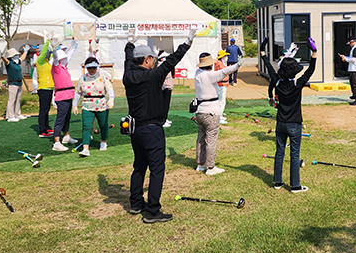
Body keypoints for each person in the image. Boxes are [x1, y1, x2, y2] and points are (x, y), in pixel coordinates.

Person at [124, 28, 195, 224]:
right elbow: (173, 60)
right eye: (152, 59)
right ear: (146, 60)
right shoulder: (152, 76)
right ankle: (153, 210)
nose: (154, 62)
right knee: (157, 169)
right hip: (152, 129)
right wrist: (187, 43)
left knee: (139, 166)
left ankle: (136, 203)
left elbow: (128, 60)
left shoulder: (128, 75)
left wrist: (130, 44)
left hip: (134, 129)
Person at [260, 36, 317, 193]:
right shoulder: (297, 84)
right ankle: (295, 186)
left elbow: (268, 66)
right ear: (295, 71)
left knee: (279, 152)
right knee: (294, 154)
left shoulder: (277, 82)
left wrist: (263, 50)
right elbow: (311, 70)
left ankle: (277, 182)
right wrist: (314, 51)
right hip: (294, 123)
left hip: (280, 123)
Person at [193, 52, 241, 176]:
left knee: (201, 139)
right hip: (211, 112)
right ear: (210, 64)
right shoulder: (209, 75)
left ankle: (201, 164)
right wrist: (238, 64)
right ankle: (210, 167)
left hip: (200, 111)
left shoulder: (197, 74)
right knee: (211, 139)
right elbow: (224, 72)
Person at [72, 57, 114, 157]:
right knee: (86, 126)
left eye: (94, 68)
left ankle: (103, 141)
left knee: (103, 125)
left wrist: (111, 98)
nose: (92, 70)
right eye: (89, 68)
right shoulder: (82, 78)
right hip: (87, 104)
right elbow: (78, 92)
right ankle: (85, 148)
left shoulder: (103, 78)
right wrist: (74, 104)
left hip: (101, 104)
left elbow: (109, 89)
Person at [51, 41, 79, 151]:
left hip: (68, 95)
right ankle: (56, 143)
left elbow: (69, 56)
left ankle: (66, 136)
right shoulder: (56, 68)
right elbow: (56, 59)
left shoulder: (64, 68)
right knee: (60, 119)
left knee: (67, 118)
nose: (66, 59)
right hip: (62, 96)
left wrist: (73, 46)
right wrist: (54, 50)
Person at [32, 39, 55, 138]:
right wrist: (47, 41)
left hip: (49, 88)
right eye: (47, 52)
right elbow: (44, 51)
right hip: (43, 88)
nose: (48, 54)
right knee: (43, 110)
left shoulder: (46, 62)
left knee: (47, 109)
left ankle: (46, 126)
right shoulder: (40, 61)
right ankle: (42, 131)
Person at [2, 47, 28, 122]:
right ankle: (10, 116)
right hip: (13, 83)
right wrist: (2, 56)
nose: (17, 56)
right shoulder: (10, 63)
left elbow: (22, 58)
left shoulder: (16, 62)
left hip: (19, 82)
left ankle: (17, 113)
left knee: (18, 99)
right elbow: (5, 61)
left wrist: (25, 52)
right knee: (12, 100)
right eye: (15, 55)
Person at [339, 38, 356, 105]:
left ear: (353, 42)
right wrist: (345, 57)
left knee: (355, 85)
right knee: (352, 81)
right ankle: (354, 95)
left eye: (350, 43)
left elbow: (353, 59)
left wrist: (345, 59)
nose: (350, 45)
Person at [214, 50, 229, 124]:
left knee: (221, 101)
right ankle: (219, 117)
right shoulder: (219, 64)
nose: (226, 57)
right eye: (224, 56)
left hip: (222, 84)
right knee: (221, 101)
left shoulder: (219, 63)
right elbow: (225, 71)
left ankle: (220, 115)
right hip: (221, 84)